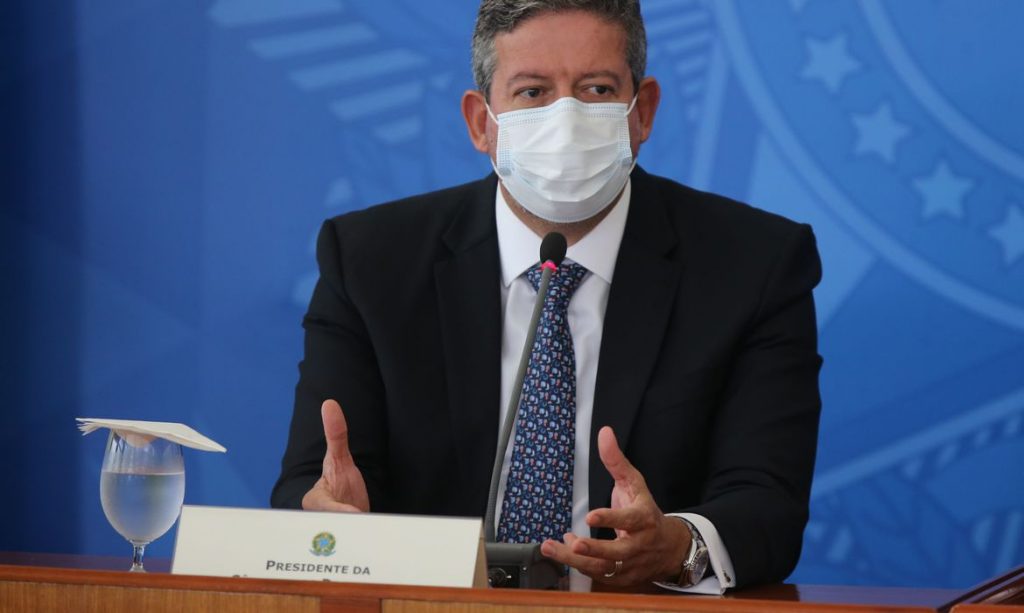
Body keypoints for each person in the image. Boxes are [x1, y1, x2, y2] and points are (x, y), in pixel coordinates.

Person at [272, 0, 822, 592]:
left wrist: (676, 546)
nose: (566, 118)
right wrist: (331, 521)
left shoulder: (754, 265)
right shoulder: (370, 262)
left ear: (642, 112)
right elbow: (314, 483)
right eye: (532, 92)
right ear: (481, 122)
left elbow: (766, 506)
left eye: (596, 89)